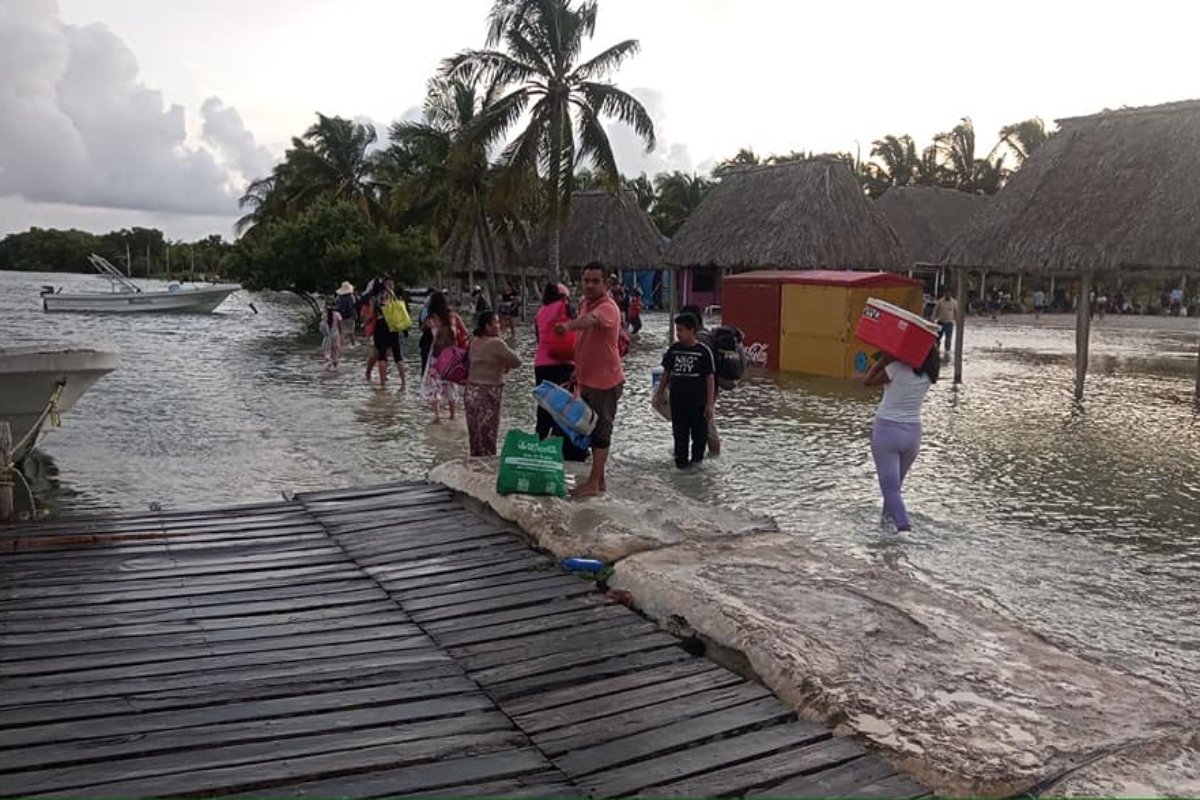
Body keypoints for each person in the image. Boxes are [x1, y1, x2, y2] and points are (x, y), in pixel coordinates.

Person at [554, 262, 624, 497]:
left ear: (607, 283)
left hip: (606, 381)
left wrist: (568, 326)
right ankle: (599, 479)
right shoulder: (585, 303)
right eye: (586, 280)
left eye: (596, 281)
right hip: (586, 379)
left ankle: (595, 483)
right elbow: (585, 340)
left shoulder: (608, 308)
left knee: (601, 432)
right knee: (590, 429)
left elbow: (591, 321)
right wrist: (577, 371)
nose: (590, 285)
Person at [860, 345, 940, 534]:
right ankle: (885, 528)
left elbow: (867, 381)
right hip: (912, 435)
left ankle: (904, 528)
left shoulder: (895, 369)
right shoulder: (928, 376)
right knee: (894, 489)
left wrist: (883, 361)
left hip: (887, 431)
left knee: (890, 489)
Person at [534, 282, 588, 461]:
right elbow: (576, 330)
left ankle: (540, 443)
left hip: (541, 363)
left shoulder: (541, 312)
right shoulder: (564, 306)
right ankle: (563, 448)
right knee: (563, 408)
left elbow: (538, 338)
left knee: (544, 406)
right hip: (563, 362)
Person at [655, 313, 715, 469]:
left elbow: (709, 379)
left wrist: (709, 404)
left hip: (698, 404)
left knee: (699, 438)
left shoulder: (703, 352)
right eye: (676, 330)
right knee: (680, 438)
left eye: (681, 330)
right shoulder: (673, 350)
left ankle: (696, 470)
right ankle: (681, 469)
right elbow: (666, 374)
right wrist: (659, 394)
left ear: (691, 330)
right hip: (678, 403)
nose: (678, 334)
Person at [464, 310, 522, 456]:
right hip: (487, 393)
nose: (499, 325)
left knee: (475, 437)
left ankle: (474, 469)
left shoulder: (474, 341)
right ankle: (487, 472)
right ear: (487, 326)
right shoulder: (496, 343)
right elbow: (517, 362)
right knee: (488, 437)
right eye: (495, 322)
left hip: (471, 391)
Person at [680, 304, 722, 455]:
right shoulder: (706, 336)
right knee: (702, 425)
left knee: (708, 425)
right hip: (704, 391)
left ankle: (713, 457)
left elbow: (707, 373)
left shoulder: (701, 341)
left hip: (704, 392)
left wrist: (709, 402)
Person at [422, 291, 469, 424]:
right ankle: (452, 415)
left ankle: (437, 415)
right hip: (451, 355)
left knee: (434, 385)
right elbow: (465, 333)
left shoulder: (431, 318)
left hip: (436, 356)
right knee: (451, 383)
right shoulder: (454, 316)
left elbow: (424, 330)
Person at [367, 279, 406, 390]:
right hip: (393, 324)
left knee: (382, 354)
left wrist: (367, 322)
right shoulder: (392, 294)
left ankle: (383, 383)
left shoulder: (374, 297)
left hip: (381, 325)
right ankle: (403, 382)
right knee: (397, 354)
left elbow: (371, 315)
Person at [932, 288, 957, 355]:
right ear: (944, 293)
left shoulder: (954, 302)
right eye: (946, 293)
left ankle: (947, 352)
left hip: (949, 323)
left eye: (949, 293)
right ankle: (936, 351)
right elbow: (935, 311)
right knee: (937, 338)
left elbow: (956, 312)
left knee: (948, 339)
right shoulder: (940, 302)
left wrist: (958, 321)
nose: (948, 294)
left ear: (951, 294)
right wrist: (932, 319)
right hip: (941, 322)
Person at [320, 304, 343, 371]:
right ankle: (334, 366)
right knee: (335, 352)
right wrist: (341, 334)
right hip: (335, 334)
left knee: (327, 351)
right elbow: (340, 326)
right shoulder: (337, 314)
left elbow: (322, 326)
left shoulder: (324, 315)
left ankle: (329, 362)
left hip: (327, 336)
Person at [335, 282, 356, 346]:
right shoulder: (352, 297)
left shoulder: (339, 298)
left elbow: (337, 306)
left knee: (342, 333)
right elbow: (353, 307)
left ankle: (341, 345)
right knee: (351, 332)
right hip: (350, 316)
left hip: (341, 316)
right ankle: (353, 345)